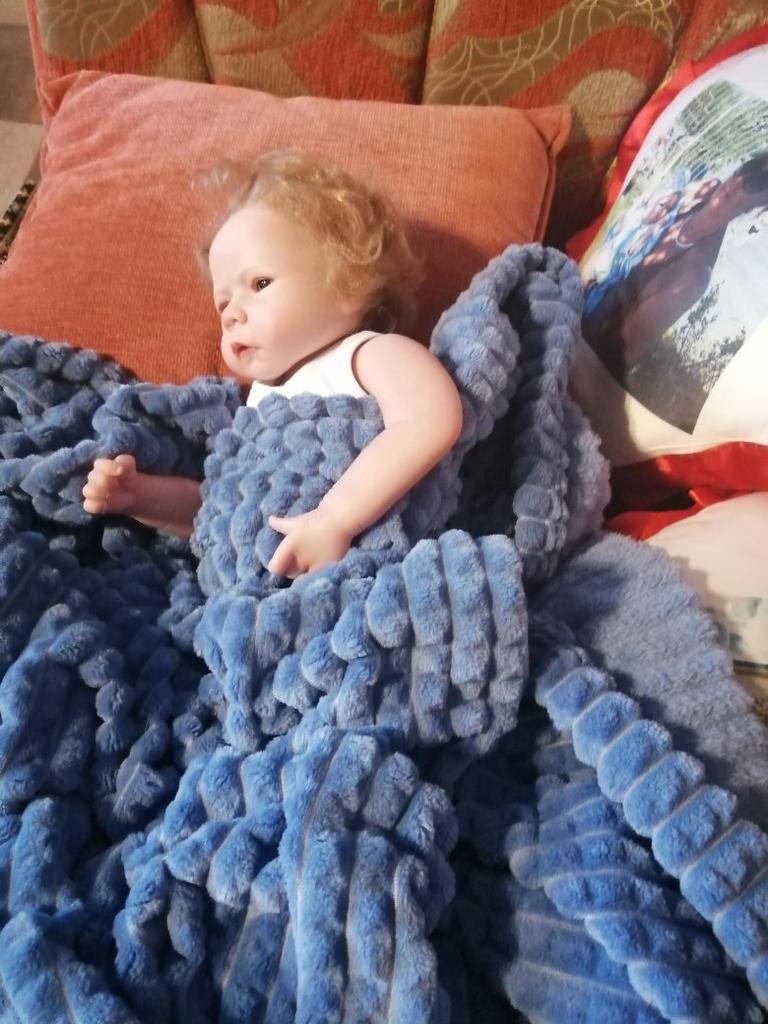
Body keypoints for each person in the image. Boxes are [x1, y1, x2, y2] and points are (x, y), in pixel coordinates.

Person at [82, 150, 463, 578]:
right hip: (249, 597)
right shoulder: (258, 405)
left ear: (351, 284)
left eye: (259, 283)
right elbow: (226, 511)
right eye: (223, 303)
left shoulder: (365, 355)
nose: (231, 314)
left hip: (360, 575)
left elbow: (429, 419)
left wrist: (335, 519)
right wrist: (142, 498)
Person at [583, 152, 768, 381]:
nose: (739, 180)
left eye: (759, 182)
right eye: (748, 167)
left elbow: (609, 361)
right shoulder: (700, 191)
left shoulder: (691, 279)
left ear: (761, 207)